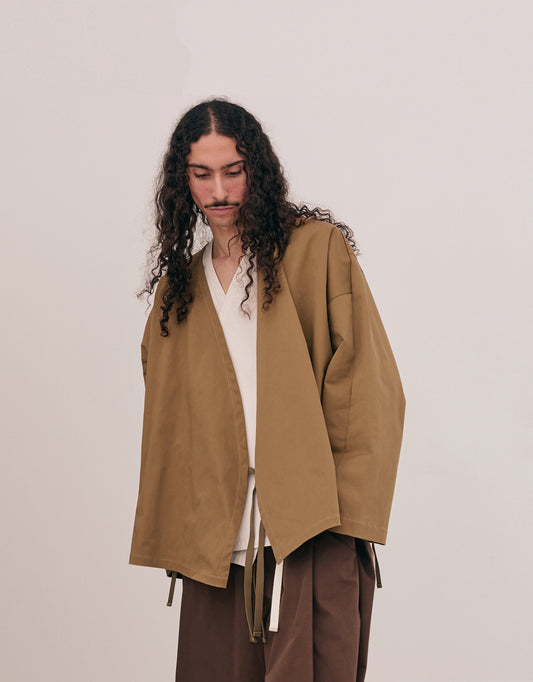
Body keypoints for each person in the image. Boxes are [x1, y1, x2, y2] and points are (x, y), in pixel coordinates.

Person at [129, 98, 406, 682]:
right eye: (201, 174)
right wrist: (183, 522)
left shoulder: (316, 251)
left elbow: (368, 390)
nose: (219, 190)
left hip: (310, 528)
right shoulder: (178, 293)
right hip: (216, 544)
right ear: (183, 182)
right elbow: (168, 416)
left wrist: (343, 523)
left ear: (257, 168)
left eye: (233, 170)